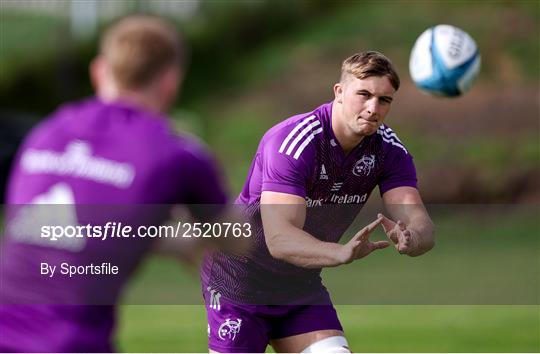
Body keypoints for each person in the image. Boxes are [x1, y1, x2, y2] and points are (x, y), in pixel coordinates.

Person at [0, 15, 229, 352]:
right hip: (68, 344)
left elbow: (42, 230)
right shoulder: (177, 153)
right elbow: (236, 241)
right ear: (171, 82)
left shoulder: (44, 133)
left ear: (99, 71)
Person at [202, 51, 435, 353]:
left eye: (384, 100)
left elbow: (420, 221)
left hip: (299, 284)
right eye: (363, 94)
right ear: (339, 92)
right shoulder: (295, 141)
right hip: (240, 279)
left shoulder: (388, 150)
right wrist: (340, 253)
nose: (372, 108)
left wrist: (413, 237)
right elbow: (279, 239)